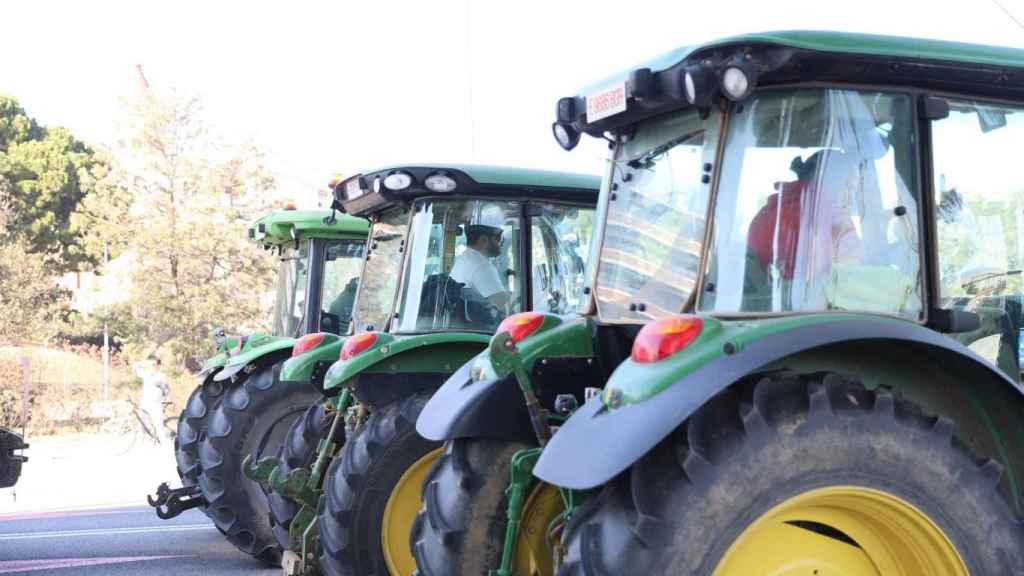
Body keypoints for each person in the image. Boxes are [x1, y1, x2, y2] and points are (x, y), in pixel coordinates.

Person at [449, 224, 509, 309]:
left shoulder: (462, 259)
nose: (502, 242)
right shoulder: (482, 266)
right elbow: (501, 304)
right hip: (479, 321)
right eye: (499, 238)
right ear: (484, 240)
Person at [137, 358, 169, 445]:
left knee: (159, 426)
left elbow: (165, 388)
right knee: (142, 425)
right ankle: (140, 444)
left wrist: (160, 385)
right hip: (144, 403)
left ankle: (165, 445)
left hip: (156, 404)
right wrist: (145, 362)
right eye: (152, 365)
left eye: (155, 365)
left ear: (159, 366)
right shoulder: (146, 374)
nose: (153, 366)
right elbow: (135, 366)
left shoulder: (162, 376)